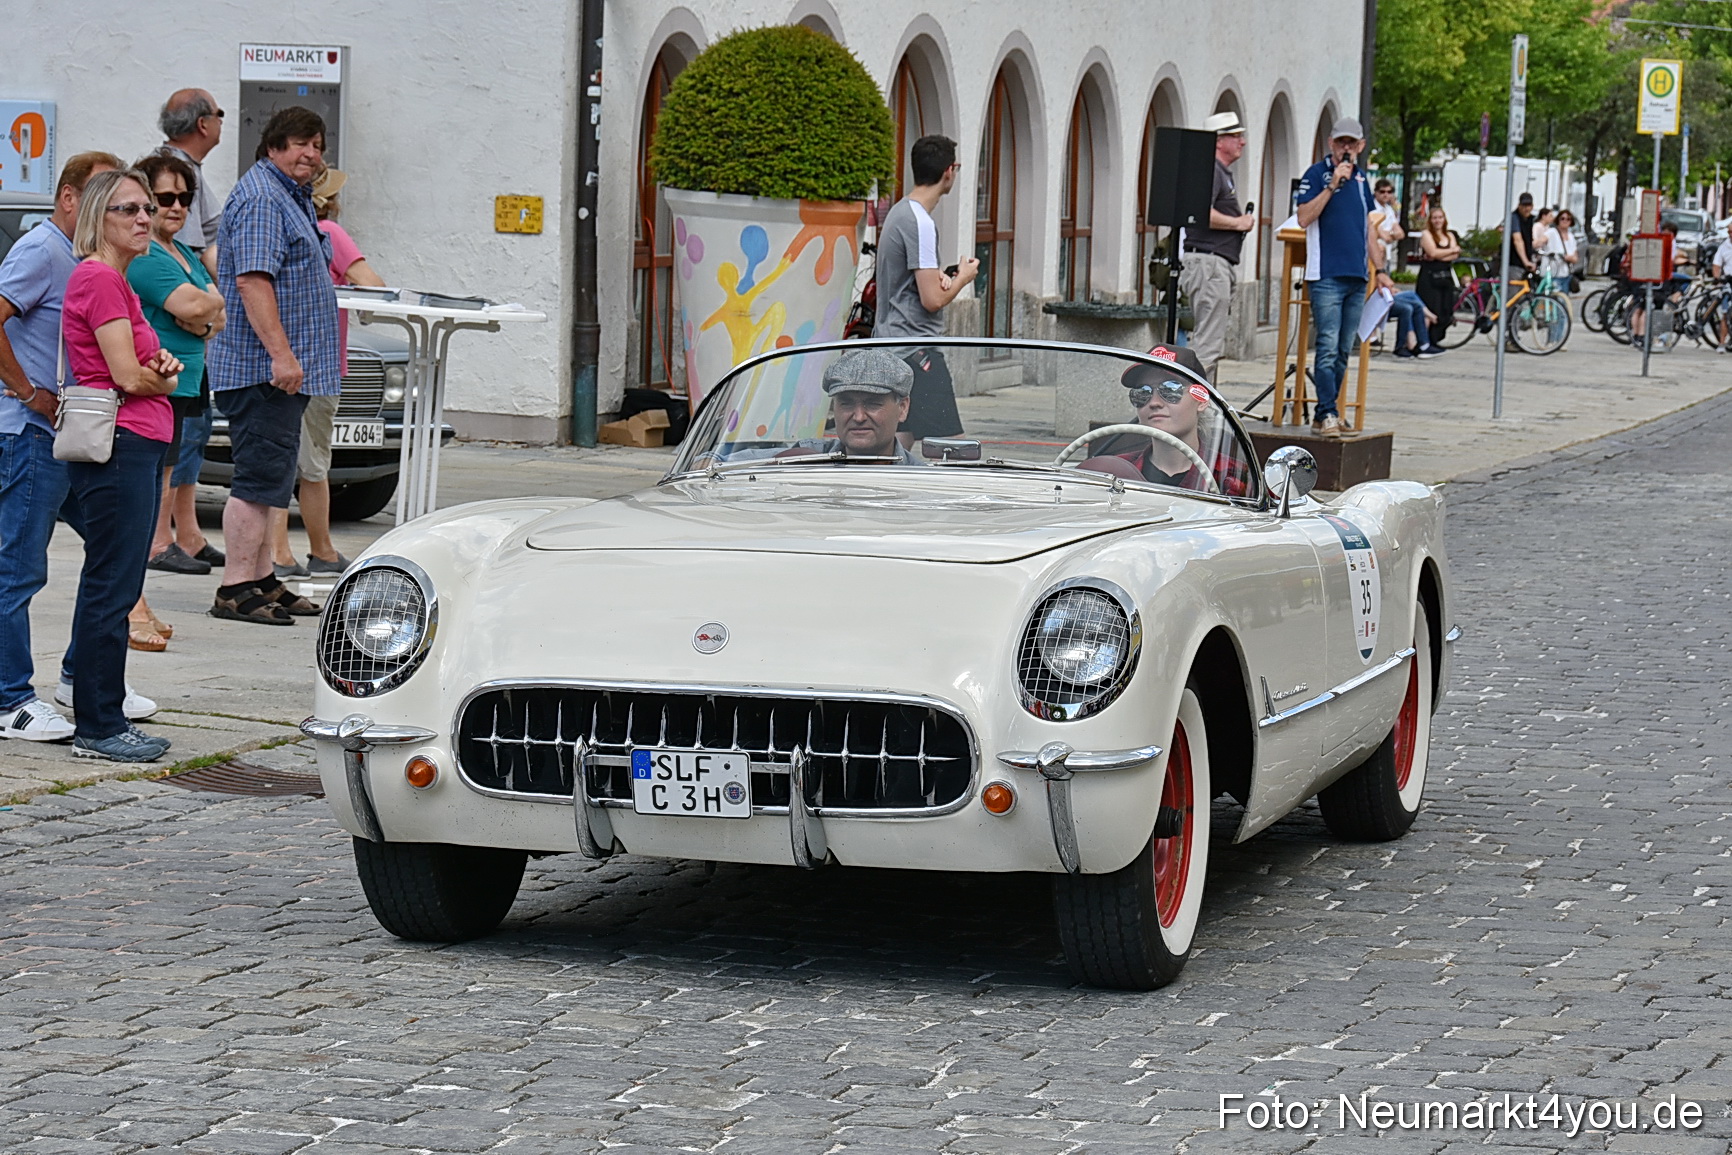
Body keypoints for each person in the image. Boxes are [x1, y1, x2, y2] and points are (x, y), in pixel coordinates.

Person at [0, 151, 125, 744]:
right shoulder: (41, 249)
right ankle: (10, 700)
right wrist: (27, 392)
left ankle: (80, 680)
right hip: (28, 433)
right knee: (18, 569)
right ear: (71, 197)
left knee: (111, 549)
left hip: (64, 436)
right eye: (103, 195)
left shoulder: (79, 258)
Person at [59, 168, 182, 761]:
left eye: (146, 208)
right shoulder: (101, 279)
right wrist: (155, 375)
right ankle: (100, 726)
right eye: (127, 209)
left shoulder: (120, 282)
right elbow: (126, 375)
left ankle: (101, 718)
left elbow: (140, 364)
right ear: (97, 219)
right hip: (120, 446)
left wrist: (155, 368)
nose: (143, 218)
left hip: (135, 442)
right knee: (113, 587)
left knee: (116, 582)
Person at [207, 106, 338, 625]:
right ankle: (235, 587)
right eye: (299, 143)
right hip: (261, 370)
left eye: (317, 145)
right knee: (258, 480)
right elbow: (252, 281)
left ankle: (262, 579)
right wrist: (282, 355)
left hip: (276, 371)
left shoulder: (286, 194)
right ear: (273, 147)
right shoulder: (264, 198)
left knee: (272, 479)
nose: (310, 153)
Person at [270, 164, 384, 579]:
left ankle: (293, 550)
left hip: (280, 359)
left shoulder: (281, 232)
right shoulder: (329, 235)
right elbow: (372, 284)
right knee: (313, 462)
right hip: (317, 364)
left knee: (283, 456)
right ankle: (307, 551)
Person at [129, 152, 226, 626]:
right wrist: (198, 311)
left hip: (187, 378)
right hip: (158, 382)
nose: (176, 207)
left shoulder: (183, 252)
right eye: (164, 197)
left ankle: (165, 545)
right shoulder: (147, 257)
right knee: (159, 475)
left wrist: (199, 319)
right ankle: (157, 545)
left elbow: (217, 307)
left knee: (176, 467)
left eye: (184, 198)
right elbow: (192, 300)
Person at [873, 134, 978, 450]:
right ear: (950, 171)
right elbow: (931, 300)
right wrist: (963, 278)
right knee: (955, 451)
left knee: (896, 445)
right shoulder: (919, 222)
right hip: (916, 353)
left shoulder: (901, 212)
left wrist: (942, 278)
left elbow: (916, 284)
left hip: (896, 346)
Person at [1294, 117, 1394, 437]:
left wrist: (1380, 271)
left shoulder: (1363, 180)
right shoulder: (1316, 174)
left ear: (1362, 146)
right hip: (1326, 275)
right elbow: (1304, 217)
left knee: (1342, 350)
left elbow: (1368, 230)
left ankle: (1328, 411)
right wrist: (1332, 185)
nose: (1346, 148)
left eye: (1352, 143)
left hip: (1356, 276)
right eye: (1341, 143)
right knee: (1325, 345)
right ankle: (1327, 414)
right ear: (1330, 144)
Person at [1078, 344, 1251, 495]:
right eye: (1142, 393)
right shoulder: (1115, 471)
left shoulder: (1231, 476)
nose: (1154, 403)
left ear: (1201, 399)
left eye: (1171, 390)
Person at [724, 348, 926, 464]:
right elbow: (717, 463)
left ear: (902, 408)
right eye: (846, 403)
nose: (858, 416)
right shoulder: (809, 456)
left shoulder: (923, 478)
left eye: (873, 403)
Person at [1179, 111, 1255, 382]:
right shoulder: (1211, 170)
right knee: (1207, 345)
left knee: (1208, 341)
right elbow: (1202, 212)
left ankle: (1199, 408)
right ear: (1219, 141)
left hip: (1213, 261)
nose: (1242, 142)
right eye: (1236, 136)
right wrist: (1238, 223)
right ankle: (1189, 407)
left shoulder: (1220, 172)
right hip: (1209, 262)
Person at [155, 88, 224, 277]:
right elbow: (182, 247)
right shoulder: (177, 173)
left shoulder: (173, 164)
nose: (221, 121)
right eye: (219, 114)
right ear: (202, 124)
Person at [1416, 206, 1461, 349]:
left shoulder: (1450, 235)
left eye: (1440, 217)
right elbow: (1432, 252)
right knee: (1430, 309)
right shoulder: (1426, 234)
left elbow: (1454, 255)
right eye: (1435, 218)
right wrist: (1450, 250)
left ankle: (1436, 339)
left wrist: (1442, 253)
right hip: (1429, 278)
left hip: (1445, 278)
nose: (1437, 221)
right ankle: (1425, 341)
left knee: (1445, 309)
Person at [1386, 291, 1442, 358]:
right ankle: (1401, 346)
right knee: (1407, 308)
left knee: (1416, 305)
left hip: (1385, 295)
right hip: (1380, 299)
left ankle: (1423, 344)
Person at [1371, 178, 1405, 271]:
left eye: (1389, 192)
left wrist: (1388, 234)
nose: (1386, 194)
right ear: (1376, 192)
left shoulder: (1389, 209)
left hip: (1387, 253)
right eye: (1382, 191)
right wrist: (1390, 234)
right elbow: (1379, 233)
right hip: (1375, 255)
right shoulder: (1372, 208)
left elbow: (1400, 233)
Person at [1508, 192, 1537, 278]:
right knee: (1515, 290)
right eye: (1524, 205)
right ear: (1519, 206)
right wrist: (1526, 262)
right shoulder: (1514, 218)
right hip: (1514, 264)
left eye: (1529, 205)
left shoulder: (1531, 219)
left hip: (1526, 264)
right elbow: (1518, 240)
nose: (1526, 208)